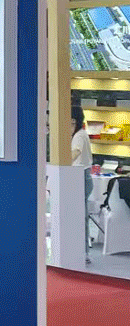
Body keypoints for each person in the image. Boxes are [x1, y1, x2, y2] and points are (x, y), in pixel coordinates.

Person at [71, 107, 93, 263]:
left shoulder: (79, 135)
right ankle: (82, 251)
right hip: (82, 177)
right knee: (80, 216)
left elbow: (76, 153)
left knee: (80, 217)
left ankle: (82, 252)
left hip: (80, 177)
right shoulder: (81, 134)